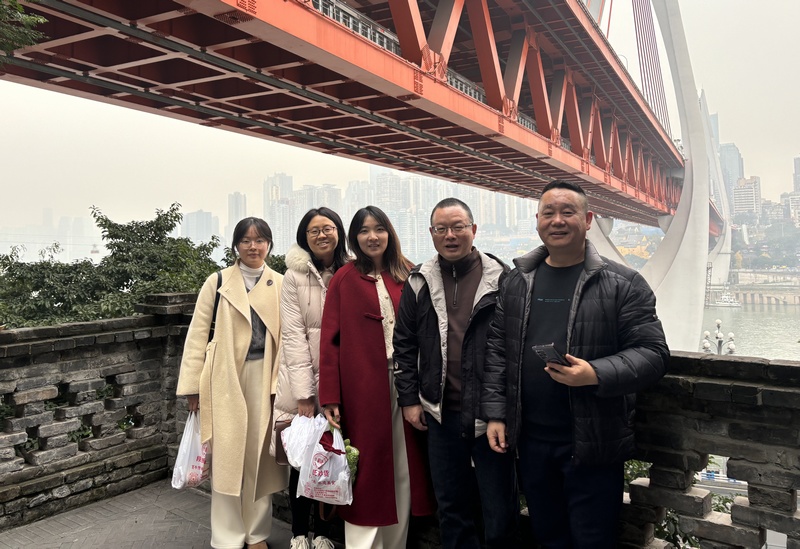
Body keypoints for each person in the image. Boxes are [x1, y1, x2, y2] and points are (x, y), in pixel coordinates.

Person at [481, 180, 670, 548]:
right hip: (532, 443)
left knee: (593, 540)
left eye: (568, 212)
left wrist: (595, 374)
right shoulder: (516, 281)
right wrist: (495, 414)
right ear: (537, 220)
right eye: (548, 213)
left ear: (588, 220)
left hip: (592, 444)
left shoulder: (623, 283)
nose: (557, 220)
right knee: (547, 537)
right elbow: (497, 352)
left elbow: (653, 353)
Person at [393, 198, 518, 548]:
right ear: (431, 233)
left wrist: (501, 410)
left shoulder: (503, 280)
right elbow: (404, 344)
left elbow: (514, 348)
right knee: (451, 508)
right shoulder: (419, 281)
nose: (450, 235)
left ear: (473, 230)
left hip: (491, 416)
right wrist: (409, 400)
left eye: (458, 226)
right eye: (441, 228)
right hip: (440, 414)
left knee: (500, 510)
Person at [319, 205, 436, 549]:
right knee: (366, 469)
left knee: (403, 464)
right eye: (364, 230)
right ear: (354, 238)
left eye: (379, 229)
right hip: (361, 389)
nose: (372, 237)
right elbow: (329, 341)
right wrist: (330, 396)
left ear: (389, 233)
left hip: (407, 384)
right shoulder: (344, 279)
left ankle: (396, 542)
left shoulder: (408, 273)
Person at [177, 217, 289, 549]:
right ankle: (227, 536)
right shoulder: (218, 281)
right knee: (226, 459)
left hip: (265, 377)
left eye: (260, 240)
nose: (253, 247)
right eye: (246, 241)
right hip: (225, 378)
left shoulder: (281, 284)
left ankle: (256, 534)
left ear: (269, 244)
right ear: (236, 245)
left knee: (258, 458)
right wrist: (193, 387)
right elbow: (197, 335)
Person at [271, 208, 349, 549]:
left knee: (335, 454)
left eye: (327, 228)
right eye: (314, 231)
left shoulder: (351, 270)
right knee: (302, 459)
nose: (321, 235)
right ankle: (300, 532)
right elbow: (292, 335)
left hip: (342, 381)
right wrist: (305, 393)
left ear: (339, 232)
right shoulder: (294, 276)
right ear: (304, 237)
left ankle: (327, 533)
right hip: (301, 384)